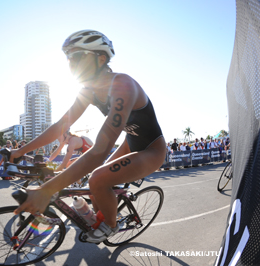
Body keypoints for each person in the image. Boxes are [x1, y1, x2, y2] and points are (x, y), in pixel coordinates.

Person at [10, 30, 165, 243]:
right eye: (68, 58)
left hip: (151, 150)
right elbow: (59, 126)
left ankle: (111, 225)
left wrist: (47, 190)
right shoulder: (88, 91)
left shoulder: (123, 86)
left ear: (101, 58)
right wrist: (20, 151)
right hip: (130, 143)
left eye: (76, 57)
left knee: (98, 179)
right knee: (93, 188)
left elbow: (100, 149)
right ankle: (104, 214)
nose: (71, 63)